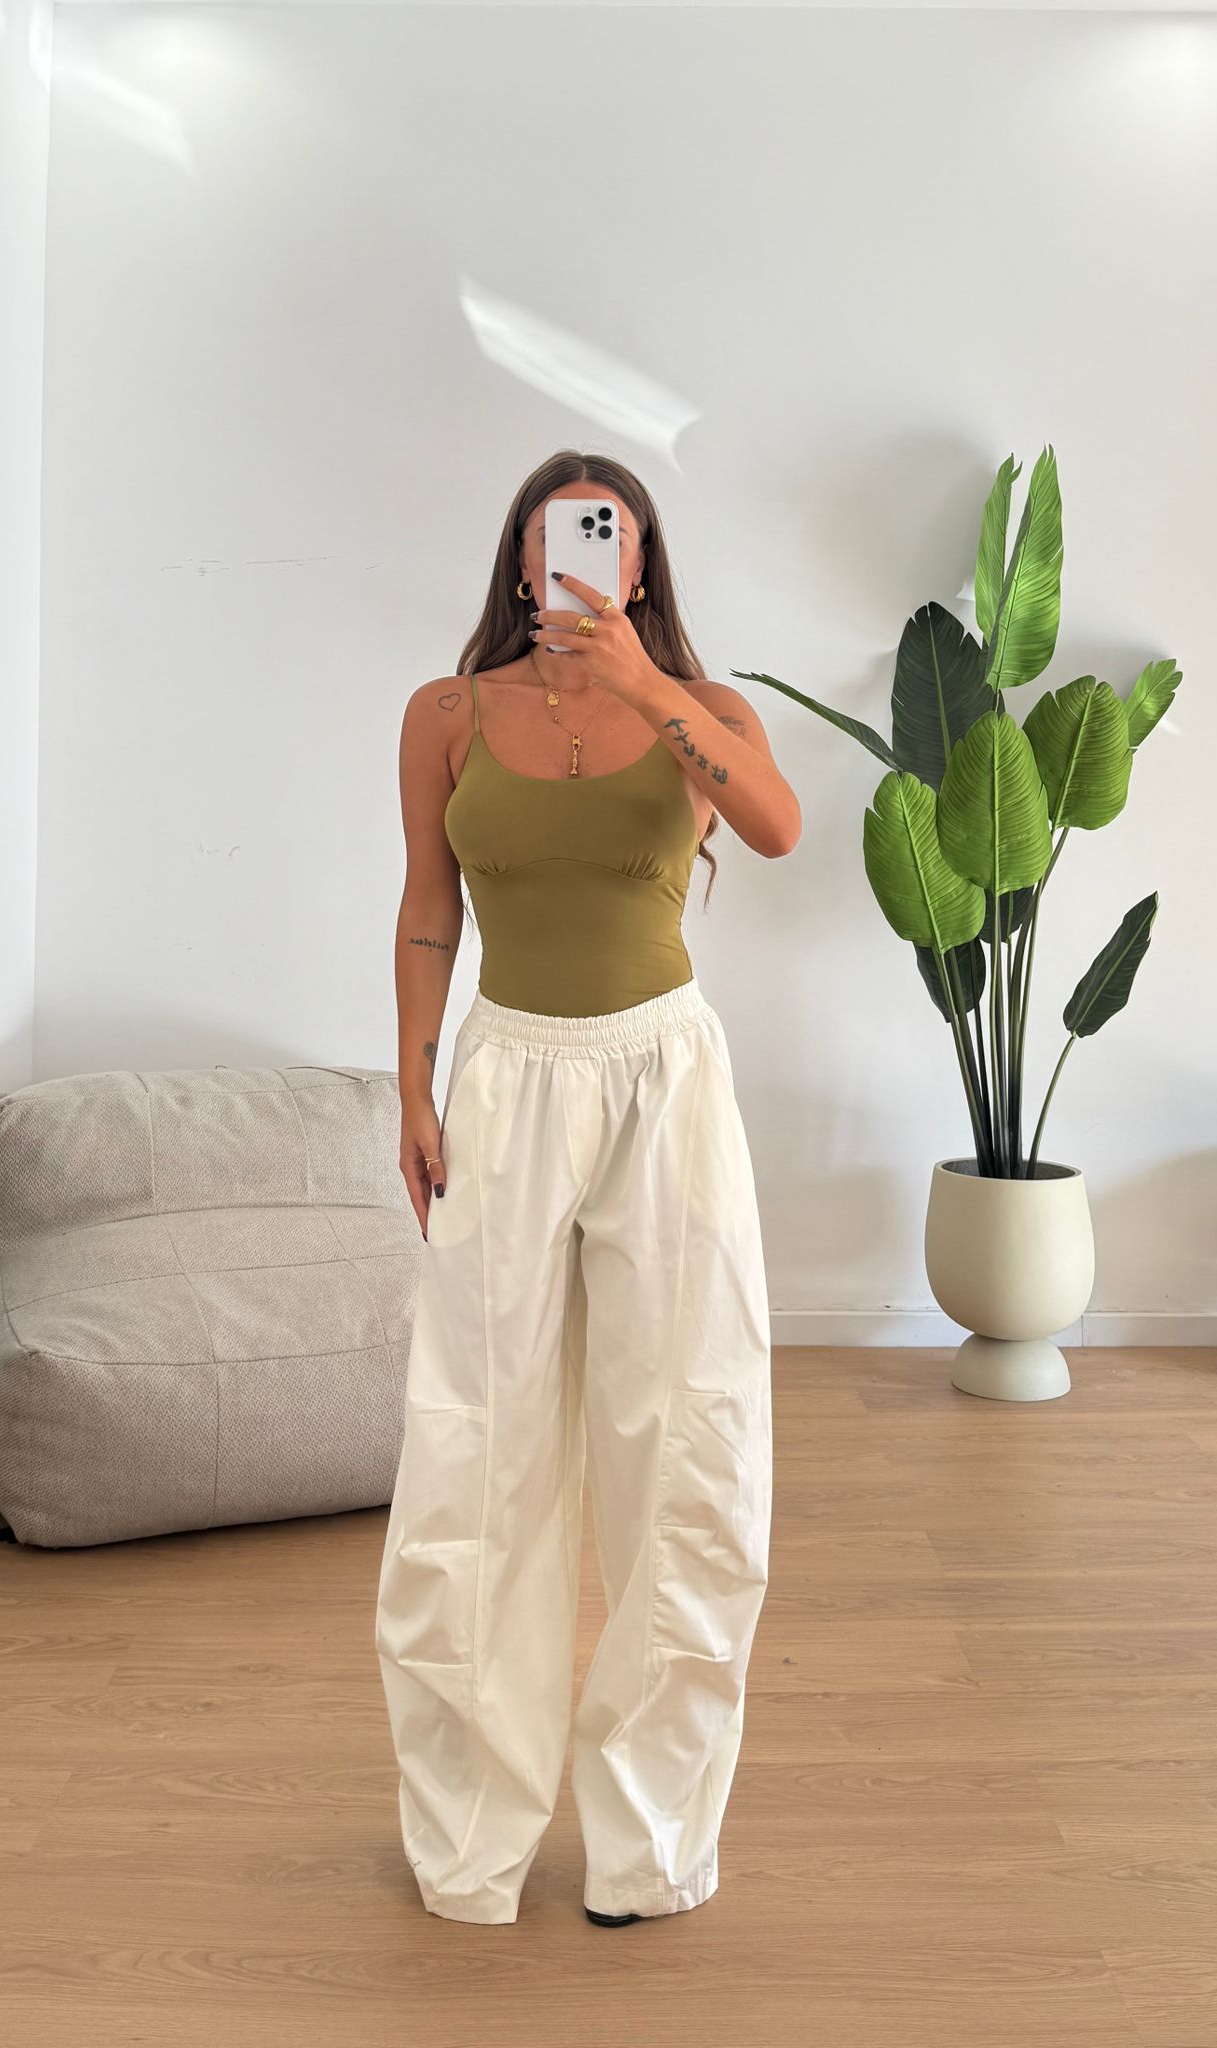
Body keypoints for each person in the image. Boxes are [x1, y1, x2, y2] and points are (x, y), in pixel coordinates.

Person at [375, 452, 802, 1929]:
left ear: (639, 565)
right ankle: (468, 1839)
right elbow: (427, 909)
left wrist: (641, 682)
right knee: (473, 1446)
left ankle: (650, 1845)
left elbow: (777, 825)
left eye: (612, 539)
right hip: (504, 1081)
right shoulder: (444, 716)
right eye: (560, 536)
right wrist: (414, 1086)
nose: (584, 557)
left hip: (663, 1082)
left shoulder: (702, 710)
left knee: (686, 1448)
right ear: (521, 559)